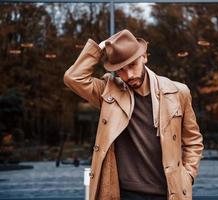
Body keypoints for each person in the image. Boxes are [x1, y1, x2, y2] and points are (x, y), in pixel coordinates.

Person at [63, 29, 204, 200]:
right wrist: (100, 48)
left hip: (168, 193)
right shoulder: (109, 92)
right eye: (121, 70)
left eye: (132, 65)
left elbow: (193, 141)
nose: (128, 75)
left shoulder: (177, 92)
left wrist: (187, 176)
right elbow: (73, 78)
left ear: (144, 57)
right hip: (123, 194)